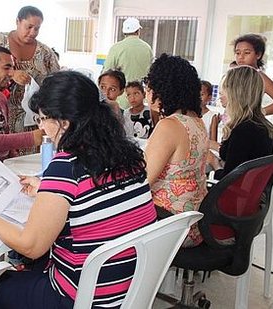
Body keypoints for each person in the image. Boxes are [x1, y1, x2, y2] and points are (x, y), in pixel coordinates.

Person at [0, 71, 156, 308]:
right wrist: (47, 188)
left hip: (80, 297)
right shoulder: (128, 156)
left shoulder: (67, 165)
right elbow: (96, 194)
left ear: (64, 122)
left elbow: (31, 245)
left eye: (42, 119)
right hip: (128, 288)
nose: (42, 128)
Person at [0, 6, 60, 135]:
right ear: (18, 21)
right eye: (29, 27)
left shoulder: (45, 53)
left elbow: (57, 82)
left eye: (37, 28)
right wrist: (12, 72)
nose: (33, 32)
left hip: (32, 121)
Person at [144, 54, 208, 247]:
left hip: (168, 224)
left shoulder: (169, 126)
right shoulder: (197, 122)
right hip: (195, 223)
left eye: (150, 84)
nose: (148, 90)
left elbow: (142, 180)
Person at [209, 66, 273, 179]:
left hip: (236, 194)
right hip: (255, 195)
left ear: (237, 92)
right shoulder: (262, 125)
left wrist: (214, 163)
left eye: (226, 87)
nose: (220, 94)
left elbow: (228, 180)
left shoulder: (244, 131)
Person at [103, 17, 153, 109]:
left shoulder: (116, 48)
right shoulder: (147, 48)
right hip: (140, 98)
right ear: (138, 31)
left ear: (124, 32)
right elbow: (151, 73)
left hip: (121, 99)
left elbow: (106, 72)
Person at [232, 34, 273, 115]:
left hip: (249, 124)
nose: (241, 57)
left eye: (247, 53)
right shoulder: (233, 75)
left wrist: (259, 113)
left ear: (258, 55)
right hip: (232, 121)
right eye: (237, 53)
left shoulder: (260, 77)